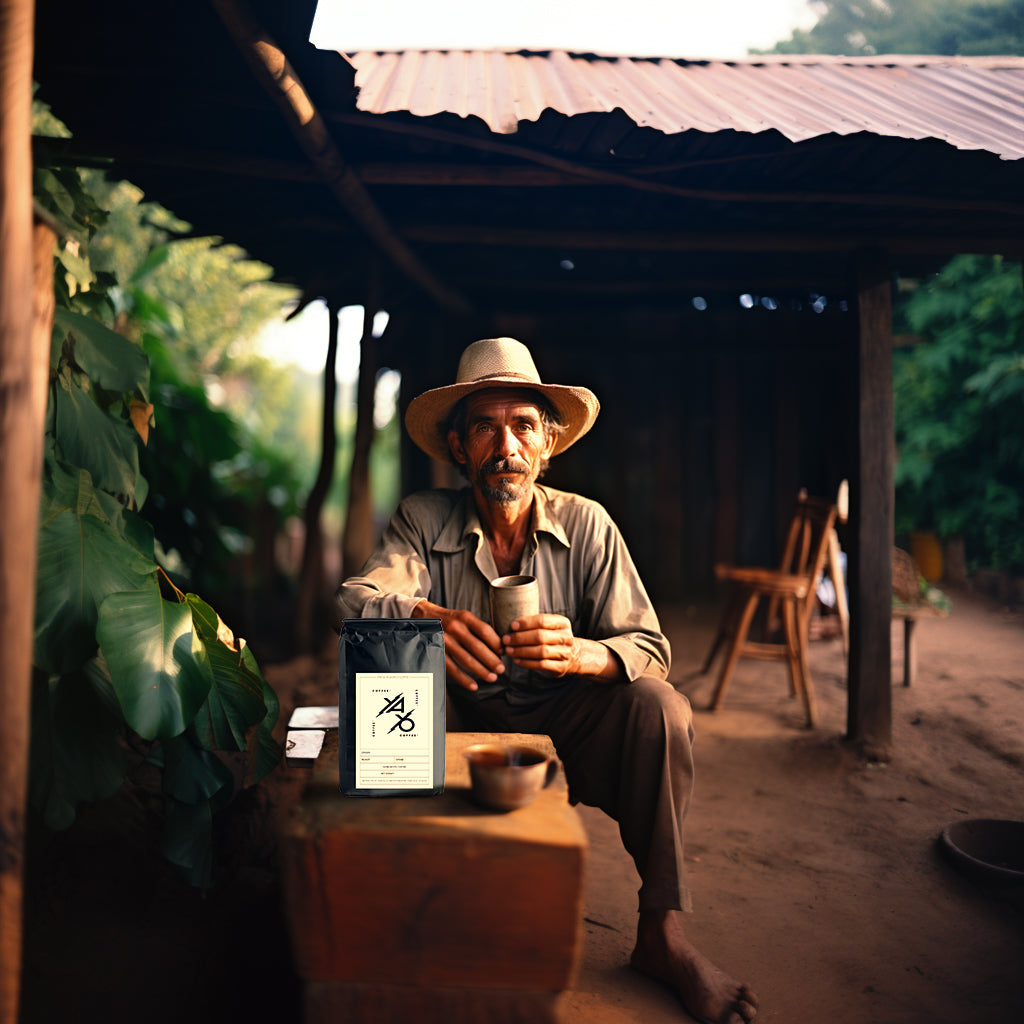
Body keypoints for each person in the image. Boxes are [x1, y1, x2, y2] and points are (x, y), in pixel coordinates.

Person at [335, 337, 758, 1024]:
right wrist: (427, 618)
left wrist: (583, 655)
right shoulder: (423, 518)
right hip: (458, 725)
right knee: (388, 666)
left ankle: (663, 935)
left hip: (566, 721)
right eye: (485, 426)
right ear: (459, 446)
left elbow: (650, 645)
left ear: (547, 445)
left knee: (660, 707)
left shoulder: (587, 525)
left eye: (523, 425)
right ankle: (405, 902)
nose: (506, 444)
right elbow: (353, 602)